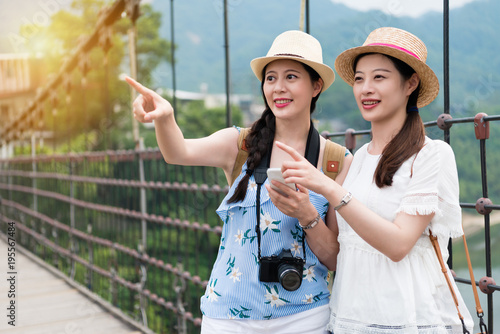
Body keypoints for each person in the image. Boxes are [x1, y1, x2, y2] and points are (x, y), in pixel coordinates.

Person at [126, 30, 352, 334]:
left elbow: (335, 258)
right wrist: (165, 118)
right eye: (270, 78)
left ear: (316, 86)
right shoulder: (241, 144)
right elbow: (178, 152)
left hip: (305, 317)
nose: (278, 87)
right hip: (229, 317)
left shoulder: (336, 161)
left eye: (291, 77)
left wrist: (307, 215)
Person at [273, 27, 474, 333]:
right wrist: (306, 213)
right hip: (348, 321)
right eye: (359, 79)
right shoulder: (356, 161)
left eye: (379, 77)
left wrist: (327, 186)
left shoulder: (432, 155)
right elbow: (337, 257)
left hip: (410, 321)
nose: (365, 88)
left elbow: (397, 245)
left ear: (410, 83)